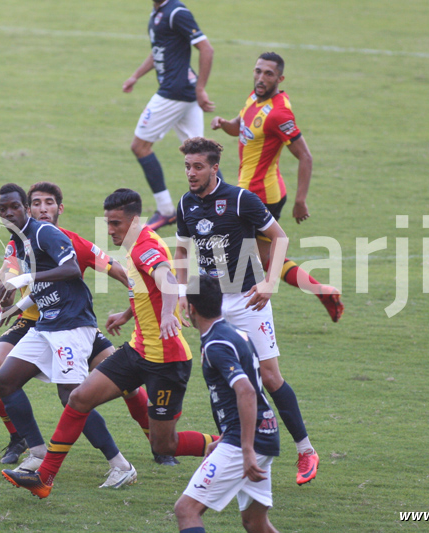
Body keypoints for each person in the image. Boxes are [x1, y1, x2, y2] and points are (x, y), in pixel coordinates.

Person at [2, 188, 219, 499]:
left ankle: (230, 443)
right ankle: (44, 477)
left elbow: (166, 279)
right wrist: (128, 313)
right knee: (78, 399)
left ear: (133, 220)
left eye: (115, 223)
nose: (110, 229)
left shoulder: (144, 245)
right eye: (108, 222)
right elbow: (148, 289)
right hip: (137, 351)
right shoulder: (133, 245)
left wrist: (170, 314)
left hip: (167, 360)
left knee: (164, 444)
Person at [0, 182, 177, 468]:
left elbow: (121, 273)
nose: (42, 208)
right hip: (33, 322)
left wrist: (132, 310)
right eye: (36, 202)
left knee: (121, 386)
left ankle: (158, 445)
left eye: (48, 202)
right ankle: (21, 440)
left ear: (59, 208)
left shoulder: (71, 241)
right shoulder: (18, 244)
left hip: (73, 322)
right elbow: (6, 279)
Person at [174, 138, 319, 485]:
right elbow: (181, 250)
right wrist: (182, 293)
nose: (191, 173)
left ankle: (305, 450)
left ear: (213, 168)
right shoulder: (185, 204)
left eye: (197, 167)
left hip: (249, 299)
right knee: (218, 373)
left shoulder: (241, 199)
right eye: (187, 167)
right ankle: (232, 443)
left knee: (269, 376)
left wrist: (269, 283)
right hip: (211, 305)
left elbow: (279, 237)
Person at [211, 52, 344, 322]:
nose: (261, 78)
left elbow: (305, 156)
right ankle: (322, 292)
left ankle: (237, 316)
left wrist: (301, 200)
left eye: (268, 74)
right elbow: (241, 127)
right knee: (263, 259)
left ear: (279, 78)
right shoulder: (255, 96)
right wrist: (225, 124)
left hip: (261, 196)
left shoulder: (279, 114)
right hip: (247, 191)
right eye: (258, 71)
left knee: (244, 257)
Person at [175, 275, 280, 533]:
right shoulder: (236, 334)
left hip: (247, 439)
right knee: (255, 523)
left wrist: (244, 448)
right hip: (265, 432)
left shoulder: (216, 344)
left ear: (191, 308)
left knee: (186, 510)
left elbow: (246, 392)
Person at [124, 0, 215, 231]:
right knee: (201, 153)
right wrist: (136, 75)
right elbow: (159, 52)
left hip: (174, 93)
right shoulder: (157, 13)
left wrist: (201, 88)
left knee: (140, 146)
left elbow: (206, 48)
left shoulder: (177, 12)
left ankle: (166, 210)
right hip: (184, 91)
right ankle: (220, 210)